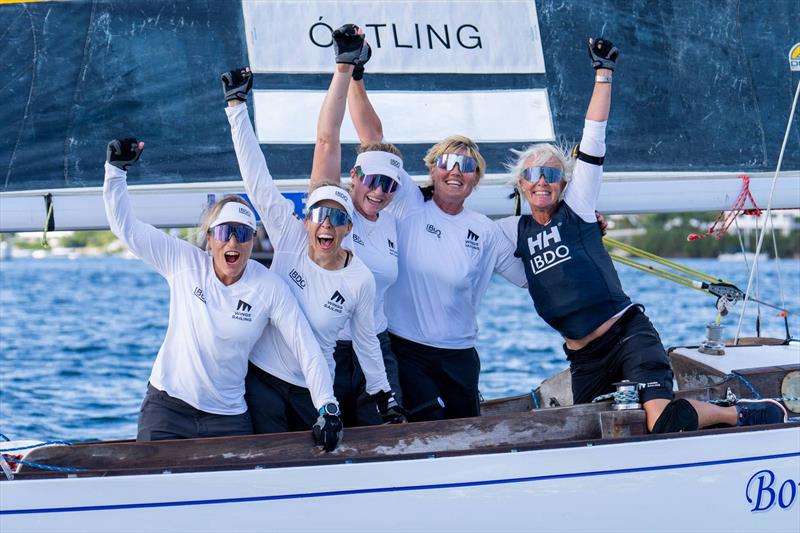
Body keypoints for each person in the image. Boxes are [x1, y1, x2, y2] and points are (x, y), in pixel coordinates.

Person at [498, 37, 788, 433]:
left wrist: (603, 73)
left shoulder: (578, 207)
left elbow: (593, 139)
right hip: (584, 358)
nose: (542, 182)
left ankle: (733, 413)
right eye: (533, 175)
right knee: (588, 434)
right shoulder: (512, 231)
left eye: (551, 174)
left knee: (661, 420)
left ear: (563, 183)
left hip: (627, 334)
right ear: (521, 184)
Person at [103, 139, 341, 449]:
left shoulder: (268, 286)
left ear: (252, 241)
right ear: (211, 238)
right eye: (224, 232)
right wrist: (115, 173)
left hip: (226, 418)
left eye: (242, 234)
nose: (233, 241)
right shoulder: (183, 262)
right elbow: (126, 229)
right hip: (168, 408)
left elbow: (305, 346)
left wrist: (327, 405)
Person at [345, 35, 528, 421]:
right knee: (420, 429)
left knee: (465, 435)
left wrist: (575, 233)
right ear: (432, 167)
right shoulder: (409, 203)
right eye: (447, 162)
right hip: (407, 349)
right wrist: (355, 74)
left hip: (461, 354)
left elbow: (530, 278)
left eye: (466, 167)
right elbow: (372, 141)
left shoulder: (486, 229)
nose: (455, 172)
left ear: (476, 179)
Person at [221, 58, 405, 436]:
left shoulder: (360, 277)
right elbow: (257, 181)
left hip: (314, 384)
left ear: (348, 227)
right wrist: (236, 107)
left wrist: (383, 393)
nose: (326, 224)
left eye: (337, 219)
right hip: (264, 377)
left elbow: (367, 343)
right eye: (319, 214)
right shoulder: (290, 236)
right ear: (306, 218)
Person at [308, 24, 407, 427]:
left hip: (374, 347)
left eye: (389, 185)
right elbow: (328, 140)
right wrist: (344, 67)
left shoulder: (392, 216)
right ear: (354, 176)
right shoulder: (335, 206)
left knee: (390, 440)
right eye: (372, 180)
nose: (379, 191)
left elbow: (377, 143)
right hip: (323, 345)